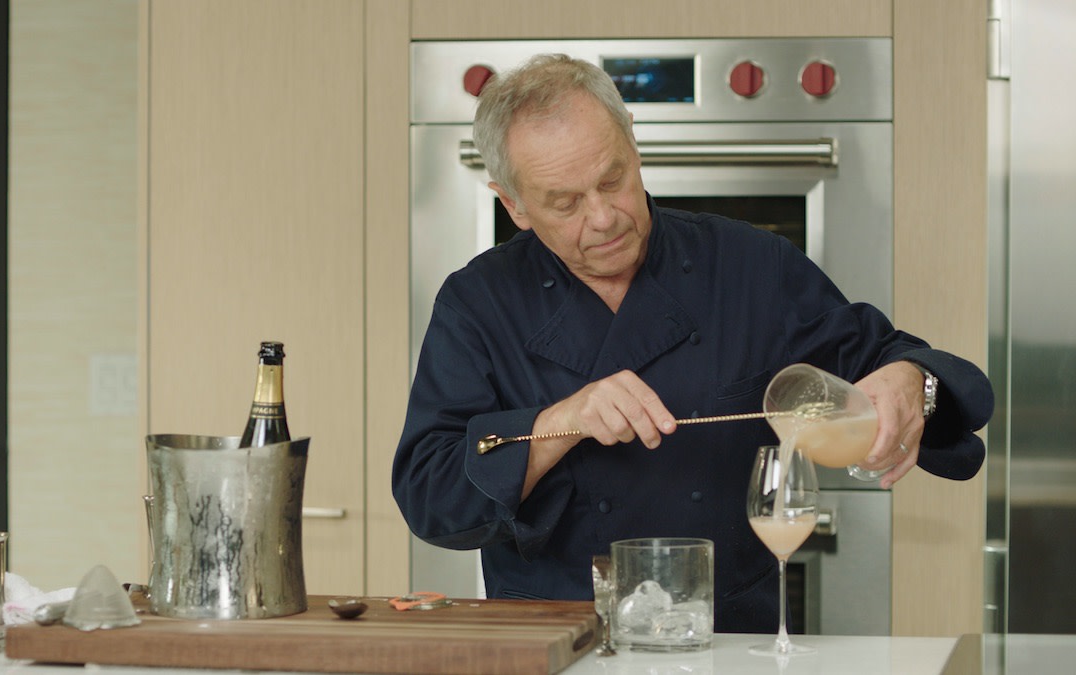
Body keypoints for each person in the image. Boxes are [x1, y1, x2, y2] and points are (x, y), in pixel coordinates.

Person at [391, 54, 993, 632]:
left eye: (612, 179)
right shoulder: (477, 302)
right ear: (513, 204)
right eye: (565, 203)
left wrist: (912, 381)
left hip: (730, 641)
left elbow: (899, 363)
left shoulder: (751, 265)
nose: (602, 218)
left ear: (632, 139)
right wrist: (561, 422)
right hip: (553, 642)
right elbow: (429, 494)